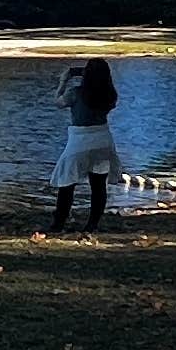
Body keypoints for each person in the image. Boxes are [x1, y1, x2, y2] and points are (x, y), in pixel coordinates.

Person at [50, 56, 122, 228]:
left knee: (67, 182)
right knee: (98, 185)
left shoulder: (75, 93)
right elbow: (99, 81)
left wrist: (63, 81)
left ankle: (59, 222)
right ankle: (92, 224)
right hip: (103, 140)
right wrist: (92, 74)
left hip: (80, 140)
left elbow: (58, 102)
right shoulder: (110, 95)